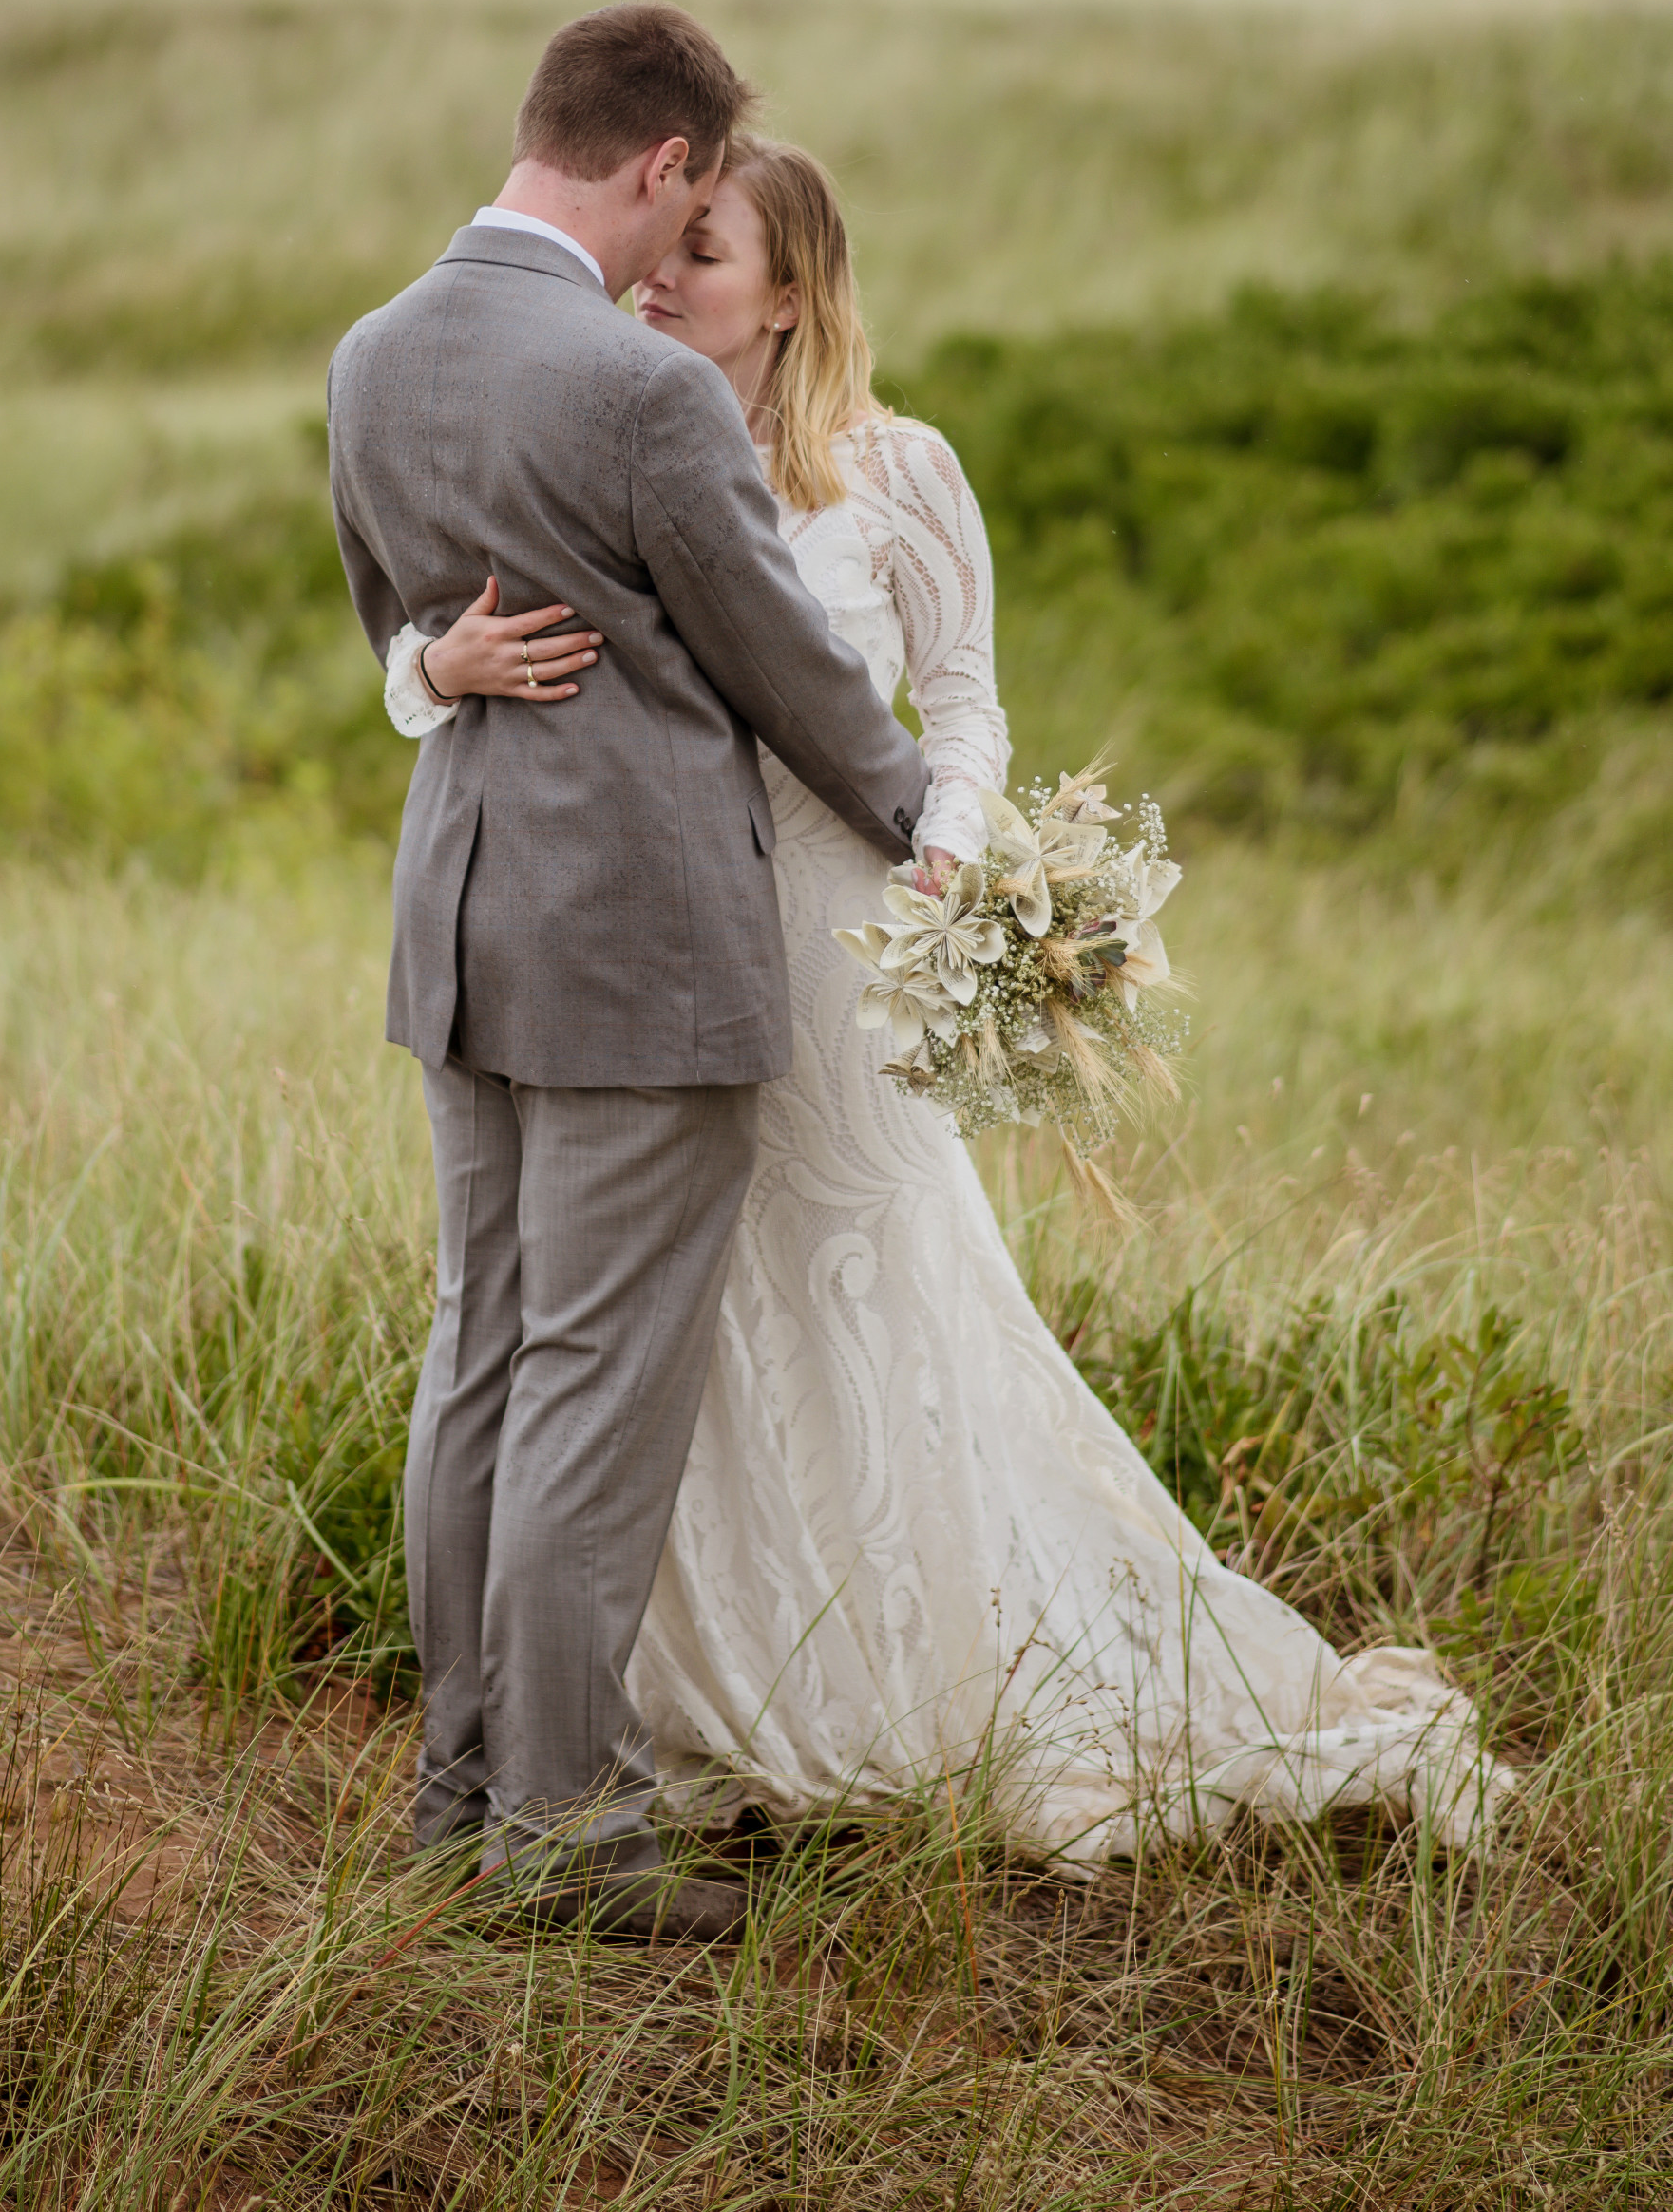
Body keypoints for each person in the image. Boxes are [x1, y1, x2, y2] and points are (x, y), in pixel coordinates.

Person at [389, 134, 1508, 1874]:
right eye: (662, 244)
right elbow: (441, 601)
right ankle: (647, 1701)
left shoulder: (902, 473)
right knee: (650, 1350)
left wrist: (952, 851)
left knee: (869, 1300)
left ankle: (896, 1672)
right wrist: (428, 667)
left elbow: (965, 704)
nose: (665, 275)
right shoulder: (606, 417)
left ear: (794, 288)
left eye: (708, 251)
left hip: (834, 945)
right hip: (633, 953)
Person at [327, 9, 932, 1942]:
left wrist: (447, 666)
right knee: (592, 1376)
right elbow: (783, 660)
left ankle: (458, 1789)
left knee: (482, 1348)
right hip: (641, 949)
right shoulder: (643, 391)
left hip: (464, 923)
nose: (677, 252)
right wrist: (935, 825)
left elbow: (403, 632)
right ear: (667, 162)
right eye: (686, 203)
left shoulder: (370, 358)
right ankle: (565, 1831)